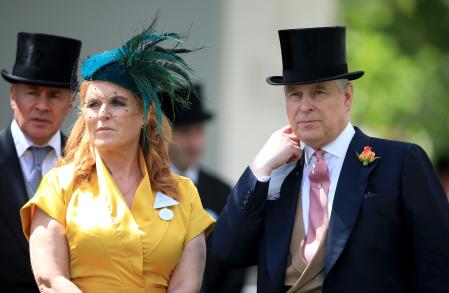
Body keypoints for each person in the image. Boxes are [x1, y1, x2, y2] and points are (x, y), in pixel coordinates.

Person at [211, 26, 449, 292]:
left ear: (347, 97)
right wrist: (259, 169)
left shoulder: (401, 162)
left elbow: (439, 265)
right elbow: (226, 250)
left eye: (319, 92)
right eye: (295, 95)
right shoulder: (278, 174)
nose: (305, 106)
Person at [20, 22, 214, 293]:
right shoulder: (59, 186)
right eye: (93, 104)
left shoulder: (184, 193)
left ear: (146, 115)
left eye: (118, 103)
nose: (102, 114)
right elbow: (50, 279)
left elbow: (187, 285)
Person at [0, 32, 81, 292]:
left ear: (70, 103)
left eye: (54, 95)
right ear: (13, 96)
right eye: (32, 93)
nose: (42, 105)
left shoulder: (89, 164)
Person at [161, 84, 246, 293]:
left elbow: (234, 258)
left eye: (199, 132)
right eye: (184, 133)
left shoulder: (221, 191)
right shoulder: (147, 185)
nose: (194, 143)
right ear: (164, 134)